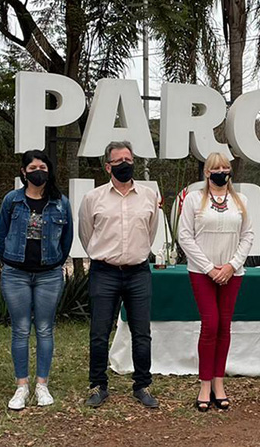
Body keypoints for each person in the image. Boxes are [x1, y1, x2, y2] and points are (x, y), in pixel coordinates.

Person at [79, 141, 161, 409]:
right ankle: (98, 386)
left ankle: (142, 385)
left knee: (142, 333)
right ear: (108, 167)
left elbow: (150, 232)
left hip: (138, 272)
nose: (125, 164)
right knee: (99, 332)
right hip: (105, 272)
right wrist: (105, 255)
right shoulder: (93, 198)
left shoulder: (148, 196)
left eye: (128, 159)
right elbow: (87, 234)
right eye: (118, 161)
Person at [176, 152, 255, 411]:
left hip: (233, 272)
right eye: (215, 168)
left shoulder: (240, 200)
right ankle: (205, 384)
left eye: (225, 168)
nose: (221, 172)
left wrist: (232, 265)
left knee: (224, 326)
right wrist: (210, 268)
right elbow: (185, 237)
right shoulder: (194, 199)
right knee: (210, 325)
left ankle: (219, 382)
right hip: (202, 272)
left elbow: (248, 235)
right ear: (207, 172)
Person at [0, 150, 74, 411]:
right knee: (20, 329)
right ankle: (22, 386)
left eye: (42, 167)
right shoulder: (12, 200)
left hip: (49, 275)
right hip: (16, 274)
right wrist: (10, 259)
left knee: (44, 329)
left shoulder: (61, 203)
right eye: (32, 168)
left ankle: (42, 384)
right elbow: (1, 234)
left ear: (49, 171)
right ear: (23, 172)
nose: (38, 172)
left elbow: (67, 239)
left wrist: (54, 261)